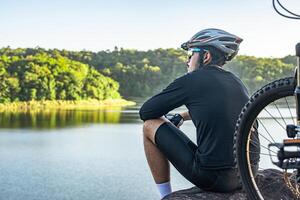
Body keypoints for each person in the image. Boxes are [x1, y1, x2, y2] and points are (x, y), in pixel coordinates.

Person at [139, 28, 257, 199]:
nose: (187, 61)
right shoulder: (236, 81)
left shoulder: (192, 80)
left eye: (191, 54)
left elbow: (147, 112)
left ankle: (166, 195)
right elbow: (214, 110)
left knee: (149, 125)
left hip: (216, 179)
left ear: (206, 56)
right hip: (248, 174)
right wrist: (182, 116)